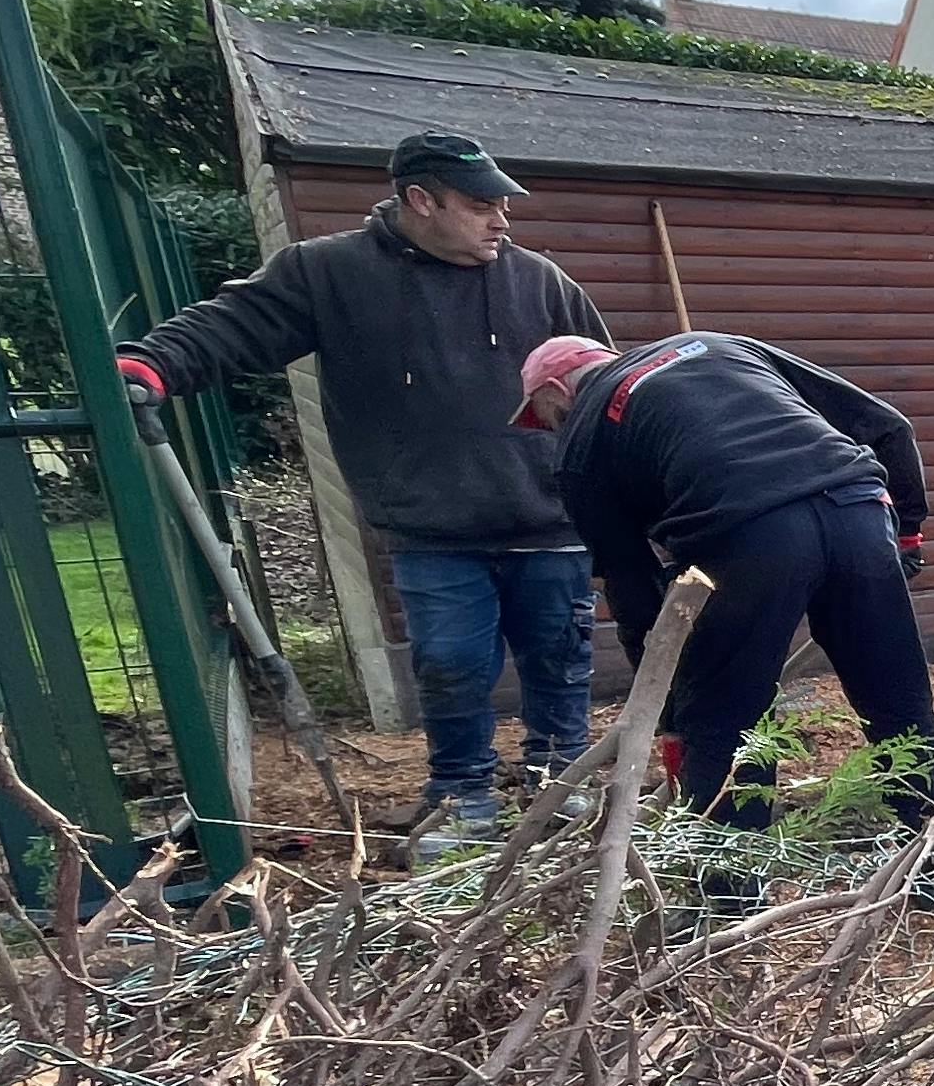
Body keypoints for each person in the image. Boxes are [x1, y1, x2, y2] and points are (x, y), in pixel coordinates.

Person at [113, 131, 597, 849]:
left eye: (503, 204)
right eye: (480, 205)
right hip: (431, 528)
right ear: (420, 201)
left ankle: (560, 779)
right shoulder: (331, 274)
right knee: (450, 666)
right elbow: (233, 324)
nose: (502, 220)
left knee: (559, 659)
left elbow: (598, 381)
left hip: (549, 520)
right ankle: (462, 794)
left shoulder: (540, 282)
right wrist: (152, 363)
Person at [515, 331, 934, 834]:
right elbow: (889, 426)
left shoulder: (580, 442)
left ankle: (732, 873)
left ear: (556, 390)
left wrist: (671, 699)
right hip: (858, 509)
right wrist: (907, 536)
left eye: (545, 417)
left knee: (725, 719)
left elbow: (630, 583)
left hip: (746, 533)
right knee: (898, 699)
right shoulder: (719, 345)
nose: (551, 430)